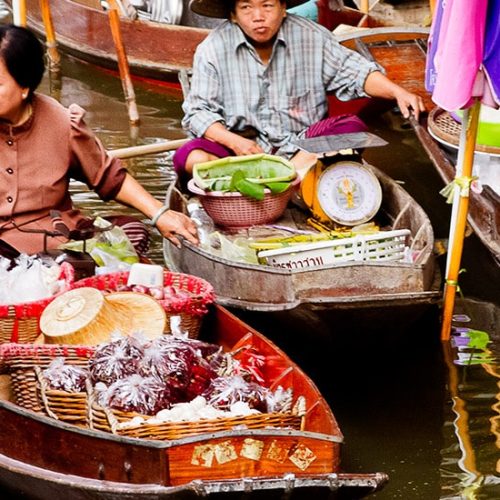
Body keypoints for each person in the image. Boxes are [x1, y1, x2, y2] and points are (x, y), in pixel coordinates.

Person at [0, 24, 198, 257]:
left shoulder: (61, 122)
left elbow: (107, 177)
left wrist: (159, 213)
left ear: (24, 86)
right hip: (4, 247)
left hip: (56, 237)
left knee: (132, 232)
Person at [173, 0, 426, 179]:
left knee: (352, 128)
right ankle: (280, 182)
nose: (258, 16)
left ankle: (286, 180)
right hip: (243, 153)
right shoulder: (213, 48)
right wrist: (235, 142)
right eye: (246, 7)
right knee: (188, 156)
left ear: (283, 9)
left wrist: (397, 92)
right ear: (233, 15)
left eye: (267, 5)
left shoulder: (310, 36)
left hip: (302, 149)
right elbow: (198, 112)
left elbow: (355, 72)